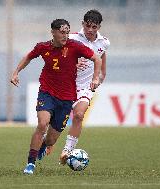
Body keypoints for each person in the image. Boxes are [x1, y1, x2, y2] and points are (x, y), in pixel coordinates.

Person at [10, 18, 102, 175]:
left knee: (51, 139)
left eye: (67, 32)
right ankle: (30, 163)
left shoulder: (75, 46)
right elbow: (29, 57)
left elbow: (97, 58)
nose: (65, 35)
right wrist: (16, 72)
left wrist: (95, 77)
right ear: (53, 32)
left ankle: (44, 145)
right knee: (42, 124)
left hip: (66, 99)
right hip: (47, 93)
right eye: (62, 32)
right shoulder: (43, 47)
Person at [58, 10, 110, 164]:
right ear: (82, 24)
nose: (90, 30)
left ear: (99, 27)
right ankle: (47, 143)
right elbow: (57, 58)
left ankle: (67, 151)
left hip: (85, 87)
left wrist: (100, 78)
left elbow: (102, 61)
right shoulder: (72, 38)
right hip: (66, 85)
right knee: (54, 123)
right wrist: (72, 63)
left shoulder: (104, 42)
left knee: (79, 115)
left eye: (94, 27)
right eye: (88, 26)